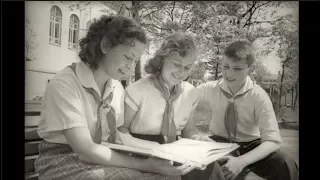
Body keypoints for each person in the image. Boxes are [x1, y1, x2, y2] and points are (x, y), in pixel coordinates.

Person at [34, 15, 195, 180]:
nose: (131, 66)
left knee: (167, 175)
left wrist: (159, 150)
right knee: (130, 177)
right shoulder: (66, 84)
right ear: (105, 45)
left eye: (136, 60)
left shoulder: (116, 87)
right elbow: (85, 150)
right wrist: (146, 164)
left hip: (101, 155)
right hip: (62, 161)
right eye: (128, 57)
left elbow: (117, 135)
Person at [118, 32, 221, 180]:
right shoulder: (138, 90)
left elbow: (189, 130)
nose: (181, 72)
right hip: (141, 150)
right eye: (177, 64)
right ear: (161, 60)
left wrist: (199, 140)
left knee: (210, 168)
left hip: (176, 148)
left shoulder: (190, 92)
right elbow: (122, 129)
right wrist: (150, 148)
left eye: (187, 67)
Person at [195, 40, 299, 180]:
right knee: (203, 166)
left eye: (237, 68)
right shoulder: (210, 88)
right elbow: (185, 97)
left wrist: (242, 161)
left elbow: (273, 140)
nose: (229, 73)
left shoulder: (258, 96)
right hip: (219, 142)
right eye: (226, 66)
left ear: (251, 68)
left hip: (251, 144)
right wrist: (195, 133)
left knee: (285, 163)